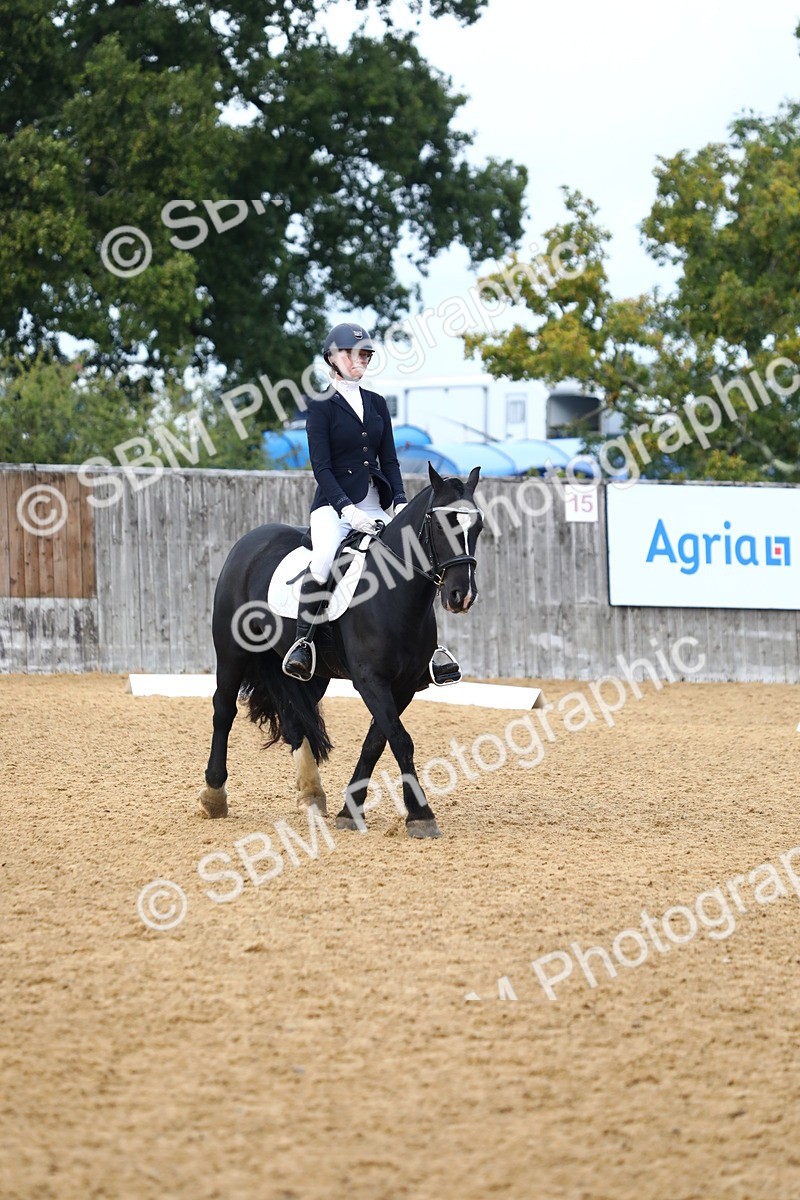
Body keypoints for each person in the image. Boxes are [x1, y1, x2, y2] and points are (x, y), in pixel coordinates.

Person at [281, 321, 409, 681]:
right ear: (333, 358)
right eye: (354, 354)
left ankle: (428, 648)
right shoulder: (320, 406)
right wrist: (347, 511)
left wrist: (399, 501)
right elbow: (321, 467)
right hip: (334, 508)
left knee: (413, 557)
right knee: (323, 560)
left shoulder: (378, 404)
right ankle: (303, 643)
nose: (361, 360)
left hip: (376, 503)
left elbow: (391, 460)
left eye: (366, 354)